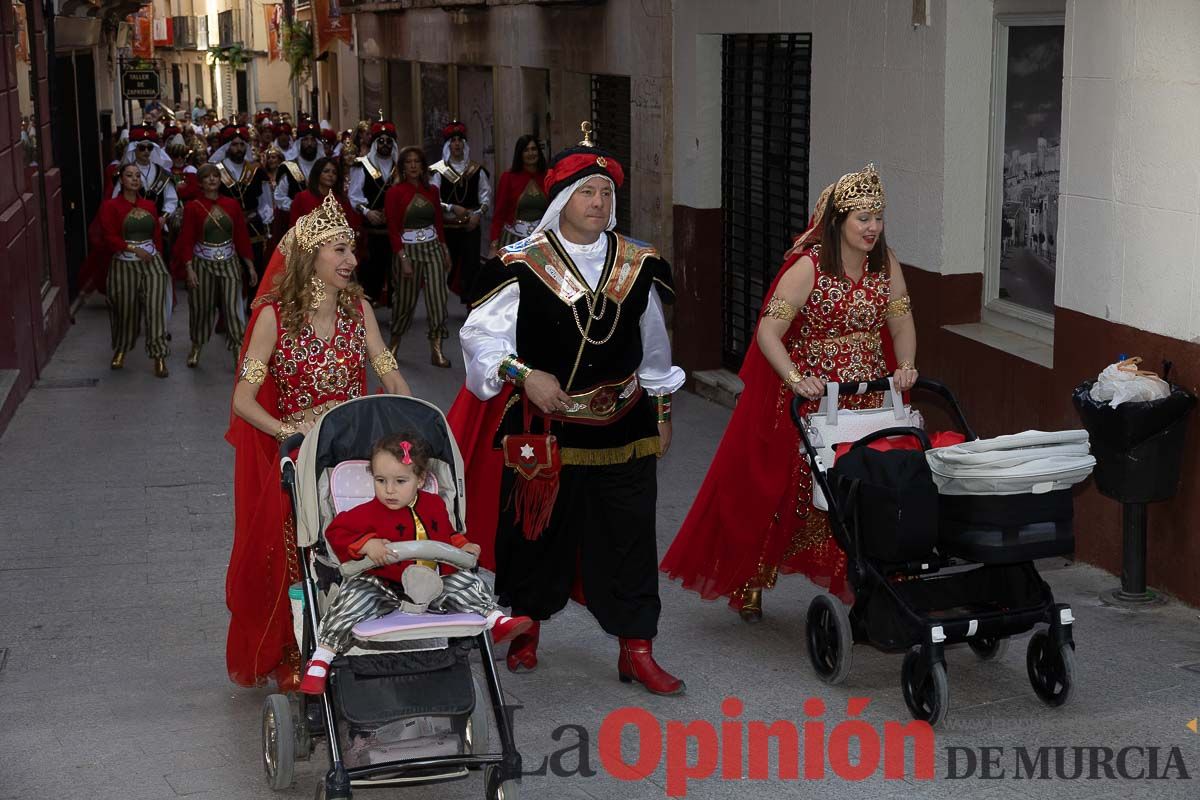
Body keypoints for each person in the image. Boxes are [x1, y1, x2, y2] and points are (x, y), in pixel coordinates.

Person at [455, 122, 686, 696]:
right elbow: (480, 339)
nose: (599, 202)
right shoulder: (520, 263)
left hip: (625, 424)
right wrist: (523, 374)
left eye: (606, 193)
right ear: (561, 199)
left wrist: (661, 410)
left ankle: (637, 648)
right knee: (536, 536)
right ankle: (528, 627)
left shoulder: (639, 262)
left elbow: (654, 345)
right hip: (546, 427)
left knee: (631, 538)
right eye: (587, 192)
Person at [660, 164, 918, 622]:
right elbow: (768, 333)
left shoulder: (888, 263)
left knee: (862, 484)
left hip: (867, 394)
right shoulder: (808, 266)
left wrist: (906, 366)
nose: (872, 227)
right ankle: (752, 577)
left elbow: (900, 323)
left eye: (877, 217)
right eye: (862, 218)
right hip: (812, 397)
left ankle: (865, 574)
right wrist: (797, 378)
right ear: (838, 221)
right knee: (785, 491)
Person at [226, 192, 413, 690]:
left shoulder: (359, 311)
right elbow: (244, 400)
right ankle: (297, 645)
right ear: (310, 255)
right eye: (338, 250)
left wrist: (409, 415)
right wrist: (290, 432)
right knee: (300, 550)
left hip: (358, 447)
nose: (351, 260)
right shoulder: (274, 318)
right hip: (300, 454)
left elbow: (387, 371)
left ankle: (377, 624)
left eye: (351, 249)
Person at [298, 432, 534, 695]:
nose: (389, 490)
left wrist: (462, 546)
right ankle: (322, 656)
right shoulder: (364, 513)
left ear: (420, 480)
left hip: (432, 583)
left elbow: (447, 534)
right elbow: (336, 533)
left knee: (465, 581)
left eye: (400, 481)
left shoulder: (434, 505)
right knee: (354, 595)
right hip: (383, 584)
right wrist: (366, 544)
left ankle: (495, 619)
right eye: (380, 480)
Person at [173, 163, 257, 368]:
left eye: (215, 176)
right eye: (207, 177)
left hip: (229, 261)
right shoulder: (193, 207)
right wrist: (189, 268)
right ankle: (197, 345)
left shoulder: (232, 204)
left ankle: (238, 348)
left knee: (233, 306)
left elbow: (241, 237)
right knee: (202, 307)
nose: (212, 179)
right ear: (200, 182)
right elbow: (187, 239)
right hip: (202, 263)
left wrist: (250, 265)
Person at [95, 164, 173, 377]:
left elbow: (156, 234)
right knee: (125, 310)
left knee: (155, 308)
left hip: (151, 262)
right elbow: (109, 236)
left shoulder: (149, 205)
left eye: (138, 175)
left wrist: (157, 255)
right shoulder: (110, 206)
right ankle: (121, 348)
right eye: (129, 175)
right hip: (124, 263)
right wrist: (133, 249)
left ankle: (159, 356)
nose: (134, 179)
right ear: (121, 180)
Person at [384, 146, 452, 367]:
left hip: (432, 247)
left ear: (423, 166)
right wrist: (402, 258)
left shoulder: (432, 190)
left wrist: (444, 249)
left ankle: (437, 350)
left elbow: (439, 223)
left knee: (438, 298)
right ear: (402, 167)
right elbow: (393, 228)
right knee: (405, 300)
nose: (413, 166)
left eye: (417, 162)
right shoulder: (394, 193)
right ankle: (393, 345)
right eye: (408, 162)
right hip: (408, 250)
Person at [430, 120, 491, 299]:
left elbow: (485, 198)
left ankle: (470, 304)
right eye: (453, 140)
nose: (457, 143)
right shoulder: (438, 171)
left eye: (460, 140)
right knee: (447, 265)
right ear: (448, 145)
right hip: (447, 227)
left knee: (471, 265)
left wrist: (477, 215)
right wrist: (451, 207)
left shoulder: (476, 170)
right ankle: (440, 304)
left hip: (470, 225)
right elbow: (433, 201)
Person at [209, 125, 274, 281]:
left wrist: (266, 222)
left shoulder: (256, 170)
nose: (238, 148)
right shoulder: (216, 171)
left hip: (252, 226)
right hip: (225, 226)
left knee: (255, 269)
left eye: (241, 145)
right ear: (227, 147)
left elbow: (265, 201)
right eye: (234, 144)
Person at [347, 119, 399, 303]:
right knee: (371, 270)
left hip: (396, 229)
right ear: (375, 143)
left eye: (389, 141)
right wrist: (367, 211)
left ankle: (397, 309)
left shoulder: (400, 168)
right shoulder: (362, 166)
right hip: (373, 229)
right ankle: (367, 308)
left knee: (397, 271)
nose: (385, 145)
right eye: (381, 141)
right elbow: (354, 195)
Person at [488, 135, 548, 257]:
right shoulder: (508, 177)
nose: (531, 153)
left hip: (542, 241)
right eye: (526, 150)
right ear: (519, 154)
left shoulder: (547, 176)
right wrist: (494, 244)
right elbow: (499, 213)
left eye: (533, 149)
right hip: (513, 241)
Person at [289, 156, 360, 231]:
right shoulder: (302, 198)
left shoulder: (342, 200)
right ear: (317, 173)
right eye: (326, 171)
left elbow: (350, 227)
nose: (330, 175)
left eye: (334, 173)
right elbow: (294, 227)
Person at [274, 120, 320, 216]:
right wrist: (298, 207)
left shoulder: (324, 166)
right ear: (299, 143)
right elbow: (279, 196)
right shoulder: (289, 167)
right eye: (306, 140)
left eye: (312, 140)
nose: (309, 144)